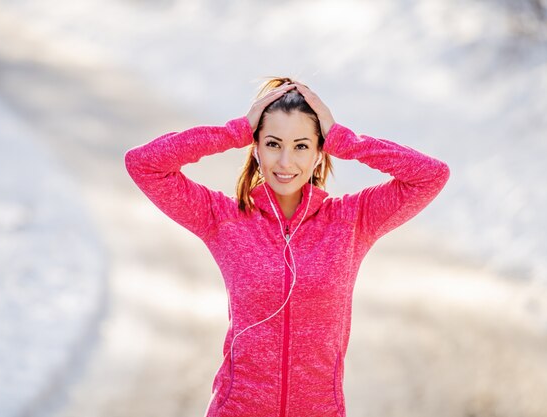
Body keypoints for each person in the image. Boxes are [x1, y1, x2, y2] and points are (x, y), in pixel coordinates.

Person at [124, 77, 450, 417]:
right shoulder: (223, 218)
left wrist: (343, 139)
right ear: (256, 147)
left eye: (301, 146)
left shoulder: (352, 221)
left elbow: (431, 175)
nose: (285, 162)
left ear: (319, 152)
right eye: (273, 143)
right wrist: (235, 131)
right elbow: (144, 164)